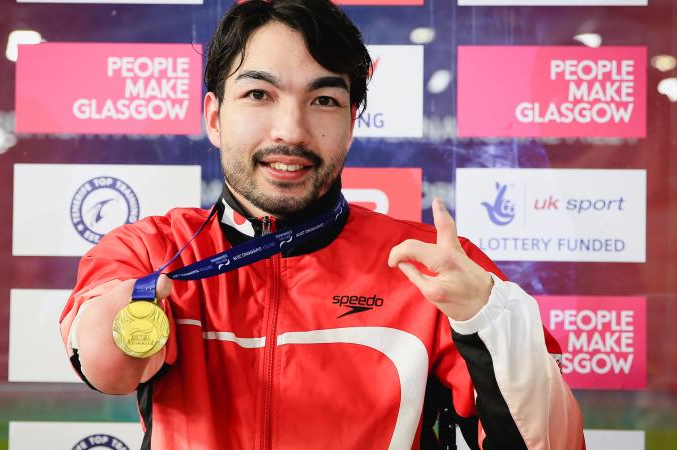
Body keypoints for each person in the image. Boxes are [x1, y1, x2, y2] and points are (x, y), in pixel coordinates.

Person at [60, 0, 585, 448]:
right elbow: (107, 368)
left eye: (324, 100)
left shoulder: (433, 269)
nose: (291, 129)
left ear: (352, 123)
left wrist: (487, 317)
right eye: (259, 95)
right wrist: (124, 314)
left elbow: (552, 444)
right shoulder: (152, 250)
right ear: (214, 117)